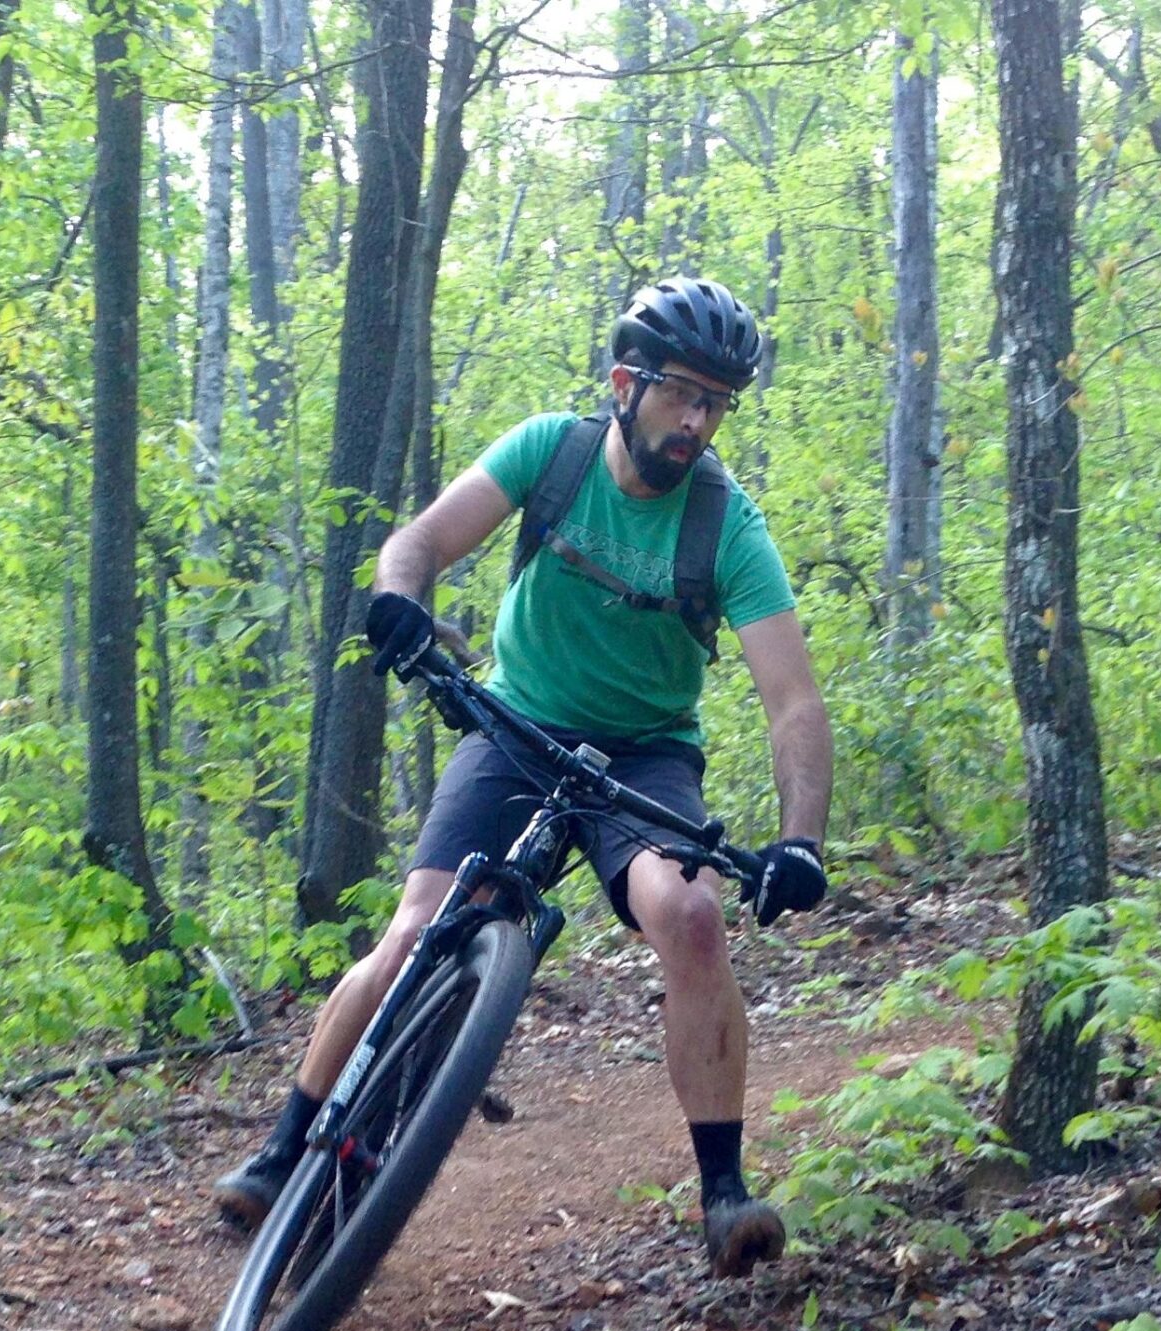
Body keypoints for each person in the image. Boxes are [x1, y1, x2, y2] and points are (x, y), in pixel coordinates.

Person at [214, 276, 834, 1277]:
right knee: (414, 928)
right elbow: (415, 543)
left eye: (716, 403)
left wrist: (802, 838)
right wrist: (401, 603)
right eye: (681, 392)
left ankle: (722, 1190)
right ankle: (284, 1147)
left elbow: (793, 702)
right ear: (625, 382)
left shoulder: (728, 526)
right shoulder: (555, 451)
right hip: (514, 724)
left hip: (644, 754)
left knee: (693, 916)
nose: (697, 420)